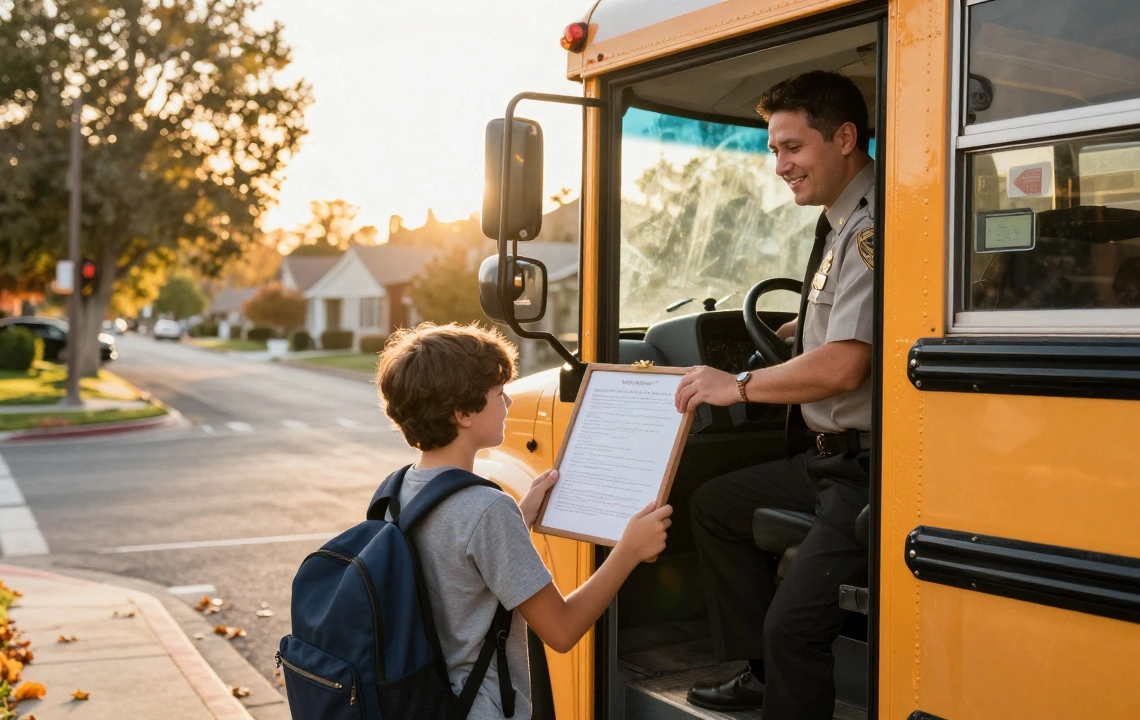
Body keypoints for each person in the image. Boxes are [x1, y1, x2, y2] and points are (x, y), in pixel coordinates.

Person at [673, 70, 876, 720]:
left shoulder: (872, 230)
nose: (780, 165)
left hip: (868, 470)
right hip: (826, 459)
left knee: (794, 628)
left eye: (792, 147)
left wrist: (737, 386)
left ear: (844, 138)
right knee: (714, 506)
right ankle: (761, 673)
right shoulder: (840, 223)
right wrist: (800, 329)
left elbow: (845, 366)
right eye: (773, 150)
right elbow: (843, 326)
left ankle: (779, 664)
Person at [375, 322, 674, 719]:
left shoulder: (395, 490)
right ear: (463, 414)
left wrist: (519, 520)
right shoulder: (485, 509)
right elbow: (562, 630)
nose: (510, 404)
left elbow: (456, 568)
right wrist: (628, 551)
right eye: (499, 394)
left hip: (420, 700)